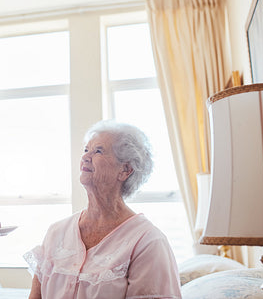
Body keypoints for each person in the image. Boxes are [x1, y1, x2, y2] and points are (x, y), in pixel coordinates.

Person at [24, 120, 182, 299]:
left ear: (125, 170)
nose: (85, 157)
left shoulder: (148, 242)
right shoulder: (56, 232)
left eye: (98, 151)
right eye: (86, 150)